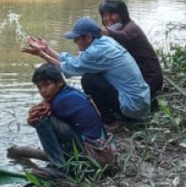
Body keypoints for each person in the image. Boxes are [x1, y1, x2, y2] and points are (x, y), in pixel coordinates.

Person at [22, 16, 151, 126]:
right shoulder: (105, 41)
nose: (74, 41)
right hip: (141, 102)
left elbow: (70, 68)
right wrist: (47, 49)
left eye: (77, 38)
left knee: (89, 79)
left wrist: (42, 54)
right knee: (92, 75)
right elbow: (73, 62)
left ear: (88, 37)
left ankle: (110, 121)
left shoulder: (96, 52)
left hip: (133, 108)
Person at [27, 63, 112, 179]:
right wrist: (45, 102)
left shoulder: (61, 101)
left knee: (41, 119)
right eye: (39, 87)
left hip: (93, 155)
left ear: (59, 82)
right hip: (101, 148)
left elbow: (41, 118)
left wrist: (32, 119)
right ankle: (62, 160)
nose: (43, 91)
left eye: (47, 85)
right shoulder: (69, 92)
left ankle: (59, 167)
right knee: (45, 119)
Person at [98, 0, 164, 100]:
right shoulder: (118, 30)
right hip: (138, 79)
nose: (108, 18)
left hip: (149, 82)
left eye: (112, 14)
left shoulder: (131, 28)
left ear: (122, 14)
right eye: (105, 15)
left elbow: (122, 36)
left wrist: (101, 33)